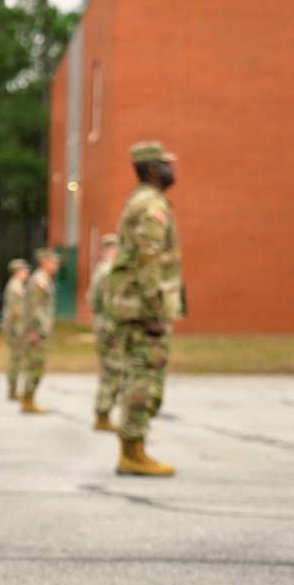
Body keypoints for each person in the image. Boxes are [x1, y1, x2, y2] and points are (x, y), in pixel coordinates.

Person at [105, 142, 183, 477]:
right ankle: (132, 453)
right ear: (152, 170)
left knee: (139, 377)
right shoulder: (151, 206)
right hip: (142, 310)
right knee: (144, 380)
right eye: (166, 164)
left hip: (134, 306)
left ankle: (133, 449)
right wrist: (154, 311)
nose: (172, 169)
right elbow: (148, 261)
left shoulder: (142, 202)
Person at [19, 248, 61, 414]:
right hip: (37, 330)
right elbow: (35, 307)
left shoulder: (44, 279)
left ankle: (28, 398)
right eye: (53, 262)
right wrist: (35, 330)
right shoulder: (39, 280)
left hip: (41, 329)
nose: (56, 265)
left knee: (37, 365)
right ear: (44, 262)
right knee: (35, 364)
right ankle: (28, 400)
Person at [88, 234, 122, 433]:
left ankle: (103, 414)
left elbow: (93, 301)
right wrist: (114, 330)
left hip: (103, 326)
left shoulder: (100, 270)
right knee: (113, 372)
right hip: (110, 329)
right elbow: (111, 304)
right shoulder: (109, 272)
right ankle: (103, 414)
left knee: (108, 372)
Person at [2, 259, 30, 401]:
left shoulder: (16, 285)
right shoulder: (16, 286)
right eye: (24, 271)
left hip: (14, 327)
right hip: (15, 328)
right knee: (16, 357)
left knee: (17, 357)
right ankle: (12, 389)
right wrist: (20, 330)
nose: (27, 274)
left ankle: (13, 388)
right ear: (17, 272)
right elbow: (16, 311)